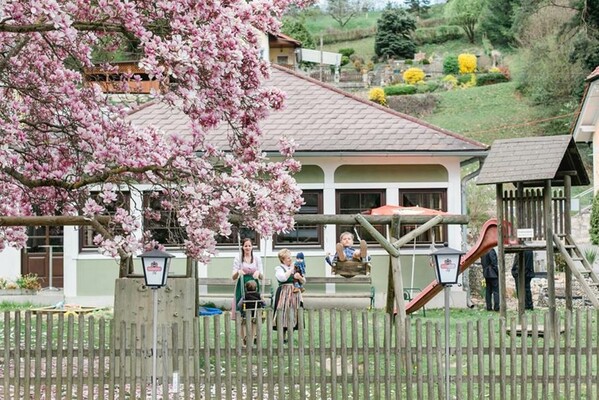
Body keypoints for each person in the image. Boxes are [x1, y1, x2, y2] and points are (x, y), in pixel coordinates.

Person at [273, 248, 305, 343]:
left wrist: (300, 278)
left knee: (294, 313)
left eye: (290, 257)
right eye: (288, 258)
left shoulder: (297, 267)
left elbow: (304, 280)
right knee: (283, 313)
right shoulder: (279, 268)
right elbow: (282, 278)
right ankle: (282, 337)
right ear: (282, 259)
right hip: (284, 292)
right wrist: (291, 269)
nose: (290, 259)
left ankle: (290, 336)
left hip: (295, 293)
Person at [231, 238, 263, 318]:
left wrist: (258, 273)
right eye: (245, 246)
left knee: (253, 304)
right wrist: (238, 272)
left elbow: (262, 276)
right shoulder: (238, 258)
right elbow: (233, 277)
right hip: (242, 285)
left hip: (254, 285)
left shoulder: (257, 258)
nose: (247, 248)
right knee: (242, 304)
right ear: (242, 247)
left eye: (249, 246)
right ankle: (241, 320)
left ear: (252, 247)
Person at [237, 280, 265, 346]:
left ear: (246, 289)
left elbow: (239, 305)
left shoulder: (244, 296)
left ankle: (245, 337)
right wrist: (262, 302)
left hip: (246, 315)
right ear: (256, 288)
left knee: (243, 324)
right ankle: (252, 338)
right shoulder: (259, 295)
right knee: (254, 324)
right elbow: (264, 303)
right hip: (256, 315)